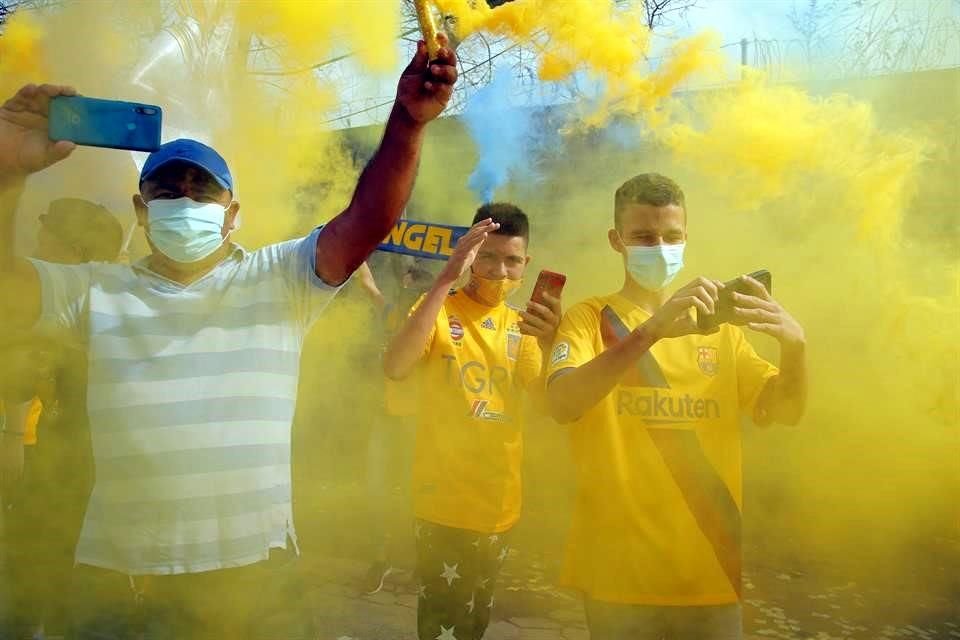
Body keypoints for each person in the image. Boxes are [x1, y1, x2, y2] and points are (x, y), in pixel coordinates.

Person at [0, 36, 458, 639]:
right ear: (141, 210)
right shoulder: (97, 290)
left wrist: (407, 123)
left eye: (202, 189)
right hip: (120, 586)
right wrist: (7, 172)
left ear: (233, 211)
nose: (184, 199)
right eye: (167, 190)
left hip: (256, 585)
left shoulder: (280, 278)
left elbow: (367, 221)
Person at [544, 173, 808, 640]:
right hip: (617, 574)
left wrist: (795, 348)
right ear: (616, 240)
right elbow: (563, 404)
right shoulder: (590, 318)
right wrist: (650, 332)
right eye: (644, 237)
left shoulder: (721, 330)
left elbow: (783, 411)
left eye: (671, 236)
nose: (660, 248)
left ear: (687, 238)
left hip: (711, 570)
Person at [383, 203, 562, 640]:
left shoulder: (523, 327)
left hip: (500, 505)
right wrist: (446, 278)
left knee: (476, 619)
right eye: (487, 257)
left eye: (512, 261)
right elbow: (396, 366)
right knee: (443, 622)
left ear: (526, 264)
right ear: (468, 255)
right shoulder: (438, 311)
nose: (500, 271)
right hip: (441, 503)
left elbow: (545, 403)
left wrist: (554, 340)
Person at [1, 198, 122, 640]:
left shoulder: (102, 310)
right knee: (28, 578)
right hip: (47, 465)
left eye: (46, 231)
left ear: (75, 250)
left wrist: (13, 437)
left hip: (85, 476)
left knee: (71, 590)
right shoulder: (43, 312)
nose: (37, 240)